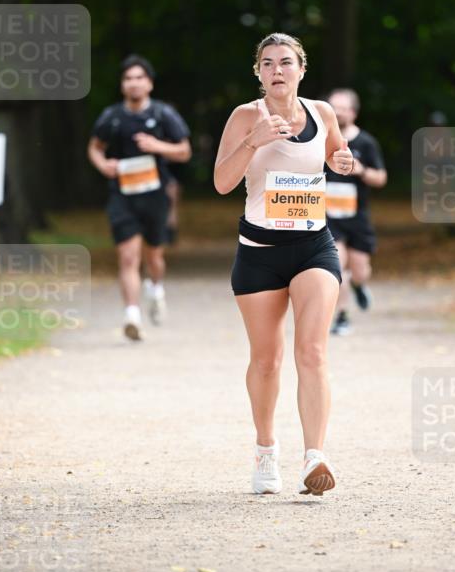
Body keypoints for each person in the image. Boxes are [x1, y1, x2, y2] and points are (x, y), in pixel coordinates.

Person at [214, 33, 354, 496]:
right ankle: (265, 449)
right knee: (267, 361)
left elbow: (336, 155)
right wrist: (252, 142)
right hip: (259, 252)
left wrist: (343, 161)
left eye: (286, 62)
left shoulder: (322, 113)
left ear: (301, 69)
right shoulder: (245, 117)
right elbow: (221, 182)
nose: (278, 70)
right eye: (269, 63)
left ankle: (315, 455)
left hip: (314, 247)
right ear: (258, 72)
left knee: (312, 351)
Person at [87, 55, 191, 340]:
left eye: (139, 78)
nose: (134, 83)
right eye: (128, 78)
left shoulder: (163, 114)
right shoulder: (112, 116)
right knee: (128, 256)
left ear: (149, 84)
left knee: (154, 256)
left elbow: (184, 151)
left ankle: (156, 288)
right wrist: (103, 165)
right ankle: (131, 315)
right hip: (122, 195)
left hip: (155, 194)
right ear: (122, 85)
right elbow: (95, 147)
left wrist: (157, 146)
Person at [325, 90, 387, 335]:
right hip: (328, 217)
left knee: (360, 270)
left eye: (342, 108)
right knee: (336, 267)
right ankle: (342, 316)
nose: (337, 112)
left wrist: (360, 170)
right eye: (333, 107)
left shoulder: (366, 142)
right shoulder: (322, 139)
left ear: (353, 112)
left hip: (357, 217)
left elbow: (381, 178)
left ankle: (359, 285)